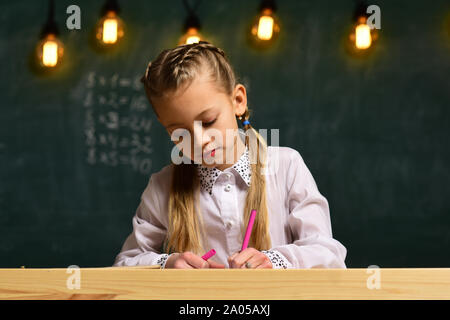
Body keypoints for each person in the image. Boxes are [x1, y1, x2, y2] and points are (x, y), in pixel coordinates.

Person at [113, 41, 347, 269]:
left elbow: (329, 255)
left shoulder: (286, 167)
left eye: (208, 121)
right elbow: (124, 264)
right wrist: (167, 263)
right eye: (179, 132)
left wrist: (275, 260)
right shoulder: (163, 186)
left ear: (238, 101)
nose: (200, 140)